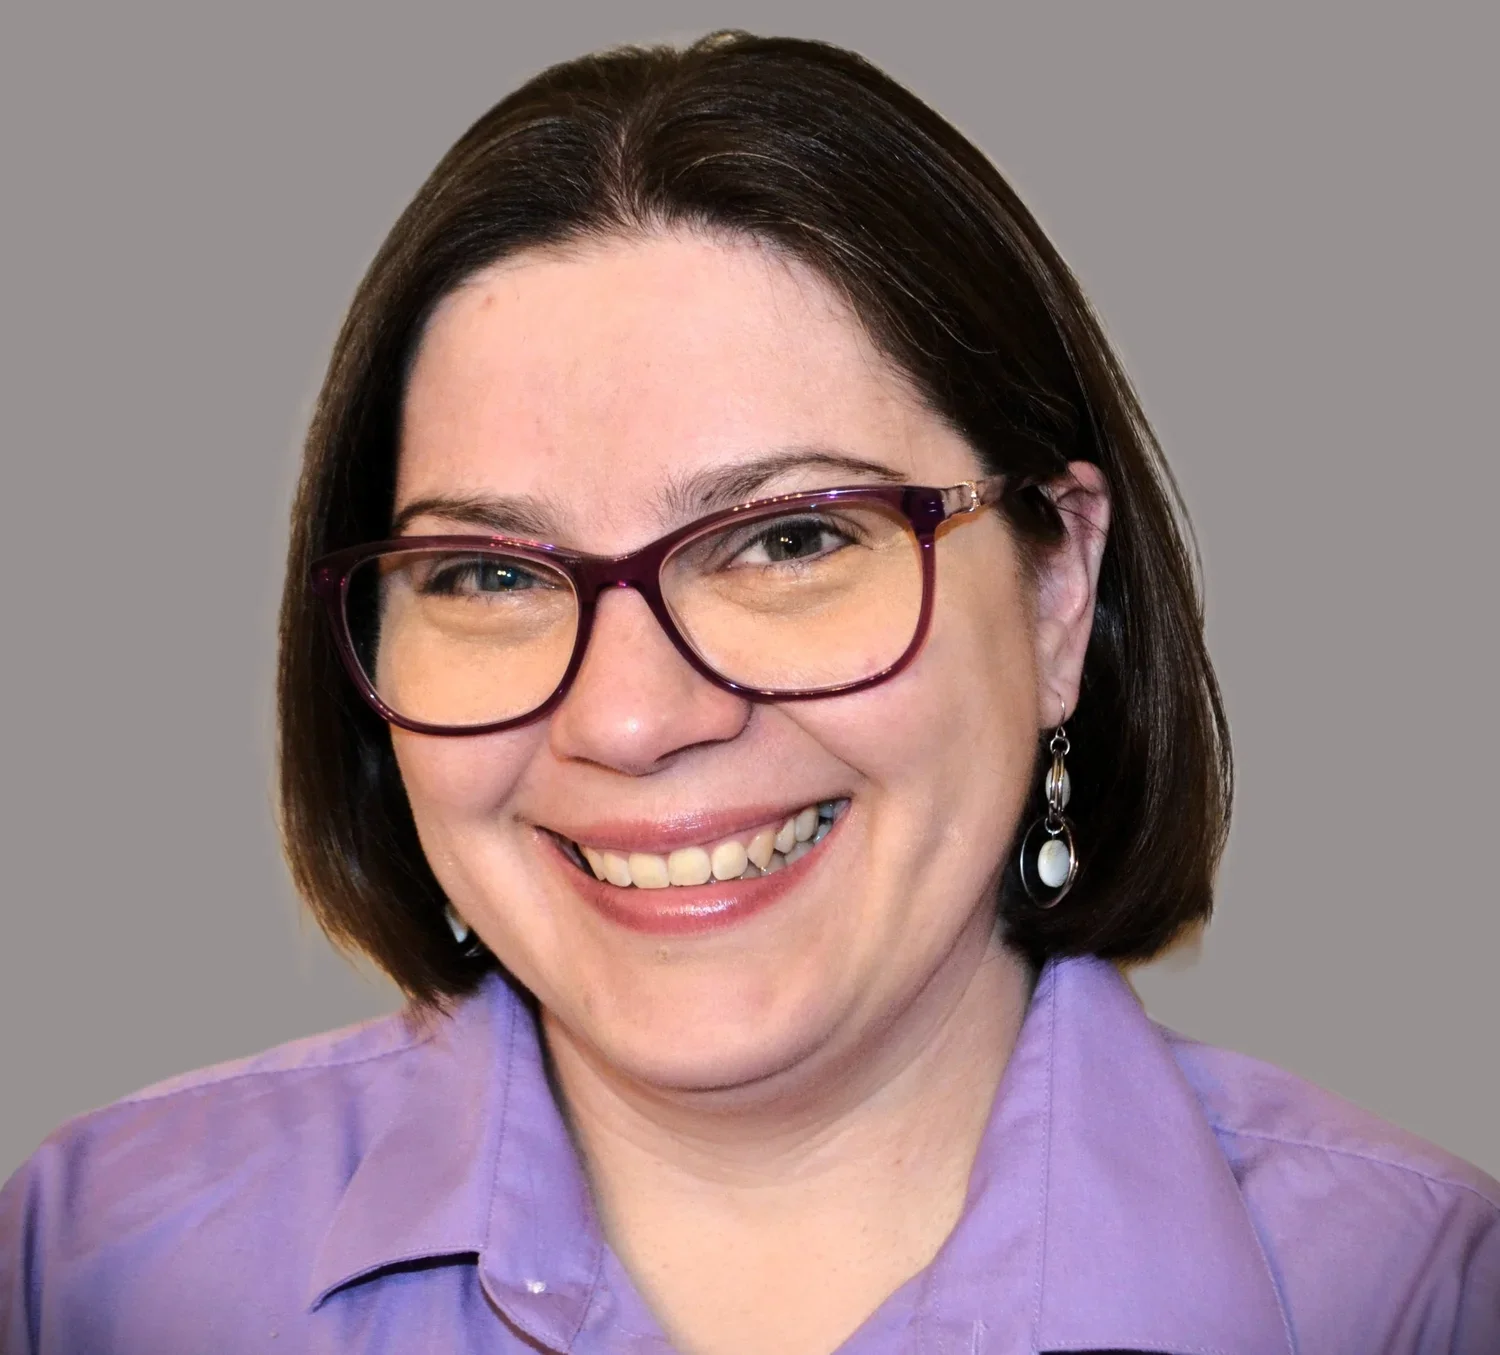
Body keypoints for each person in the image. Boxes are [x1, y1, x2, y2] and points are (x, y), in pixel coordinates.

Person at [2, 30, 1496, 1355]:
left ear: (1058, 594)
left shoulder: (1422, 1296)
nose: (634, 718)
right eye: (489, 575)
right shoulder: (83, 1272)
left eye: (789, 539)